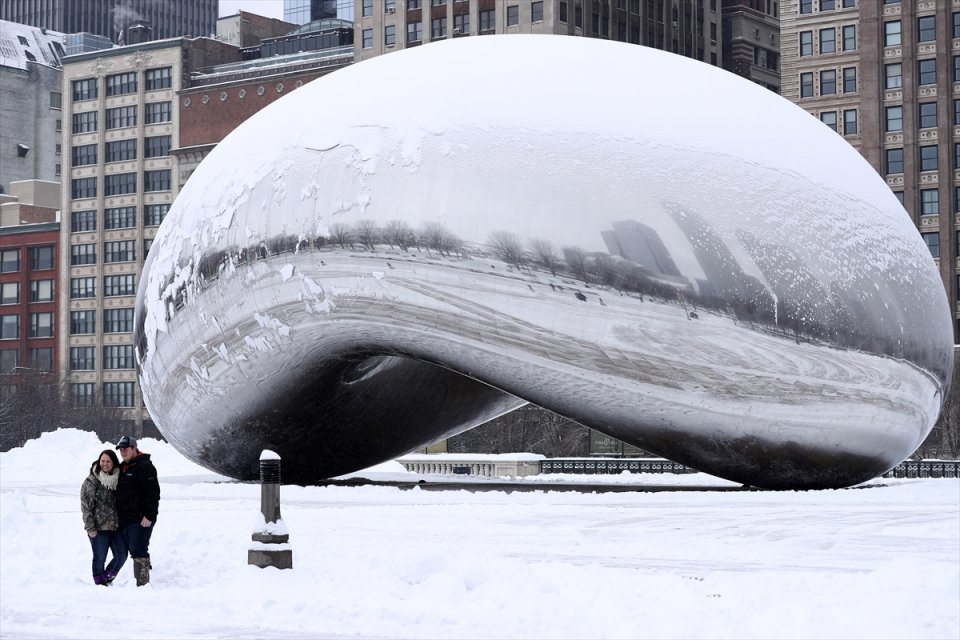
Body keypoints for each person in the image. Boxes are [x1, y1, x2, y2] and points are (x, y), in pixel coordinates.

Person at [116, 435, 160, 586]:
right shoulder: (123, 467)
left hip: (141, 518)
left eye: (126, 449)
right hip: (127, 518)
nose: (123, 452)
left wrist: (149, 515)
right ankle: (146, 567)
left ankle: (143, 584)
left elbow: (153, 493)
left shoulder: (145, 466)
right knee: (136, 546)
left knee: (138, 548)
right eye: (121, 450)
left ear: (135, 449)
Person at [81, 449, 127, 585]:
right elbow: (85, 506)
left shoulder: (119, 479)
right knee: (100, 558)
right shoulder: (92, 481)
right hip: (98, 527)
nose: (105, 464)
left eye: (108, 461)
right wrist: (90, 527)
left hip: (116, 526)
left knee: (122, 555)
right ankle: (99, 583)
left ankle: (107, 577)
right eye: (102, 461)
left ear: (113, 463)